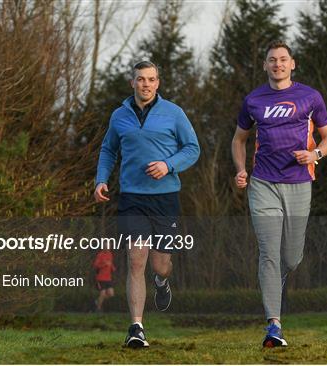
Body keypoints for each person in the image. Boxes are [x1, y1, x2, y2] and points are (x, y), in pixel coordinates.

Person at [231, 41, 327, 348]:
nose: (277, 64)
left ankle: (278, 281)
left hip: (299, 182)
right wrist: (240, 169)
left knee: (291, 257)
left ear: (293, 64)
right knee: (268, 252)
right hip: (263, 183)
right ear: (264, 65)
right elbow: (238, 139)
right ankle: (273, 326)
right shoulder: (253, 100)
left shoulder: (310, 97)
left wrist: (315, 154)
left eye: (282, 59)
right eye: (271, 60)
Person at [94, 61, 200, 348]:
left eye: (151, 79)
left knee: (160, 264)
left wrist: (168, 165)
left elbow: (193, 148)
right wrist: (101, 179)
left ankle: (162, 281)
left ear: (158, 83)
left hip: (165, 198)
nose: (146, 84)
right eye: (141, 79)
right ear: (133, 83)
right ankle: (137, 328)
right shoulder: (119, 116)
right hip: (132, 198)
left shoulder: (174, 113)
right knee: (135, 259)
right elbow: (108, 149)